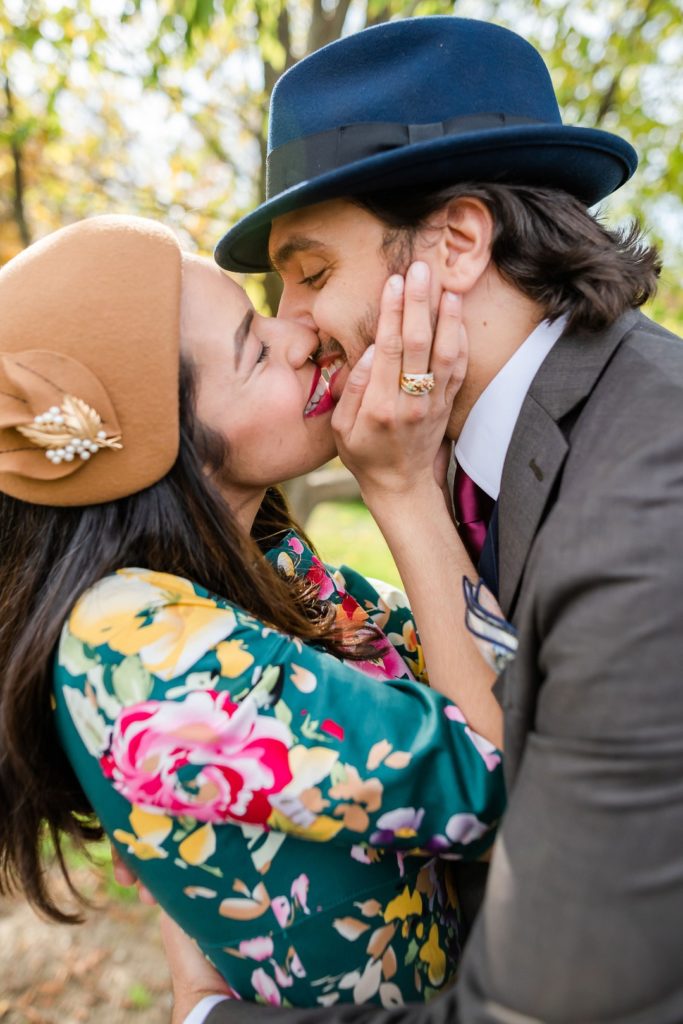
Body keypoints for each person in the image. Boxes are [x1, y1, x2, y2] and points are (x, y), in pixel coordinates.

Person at [170, 14, 683, 1024]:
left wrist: (205, 1017)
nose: (293, 323)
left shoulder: (640, 527)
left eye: (309, 271)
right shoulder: (482, 442)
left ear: (453, 243)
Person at [0, 215, 509, 1008]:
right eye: (256, 349)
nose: (301, 334)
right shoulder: (129, 640)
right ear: (167, 444)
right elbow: (506, 774)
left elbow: (474, 655)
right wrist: (400, 485)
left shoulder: (275, 572)